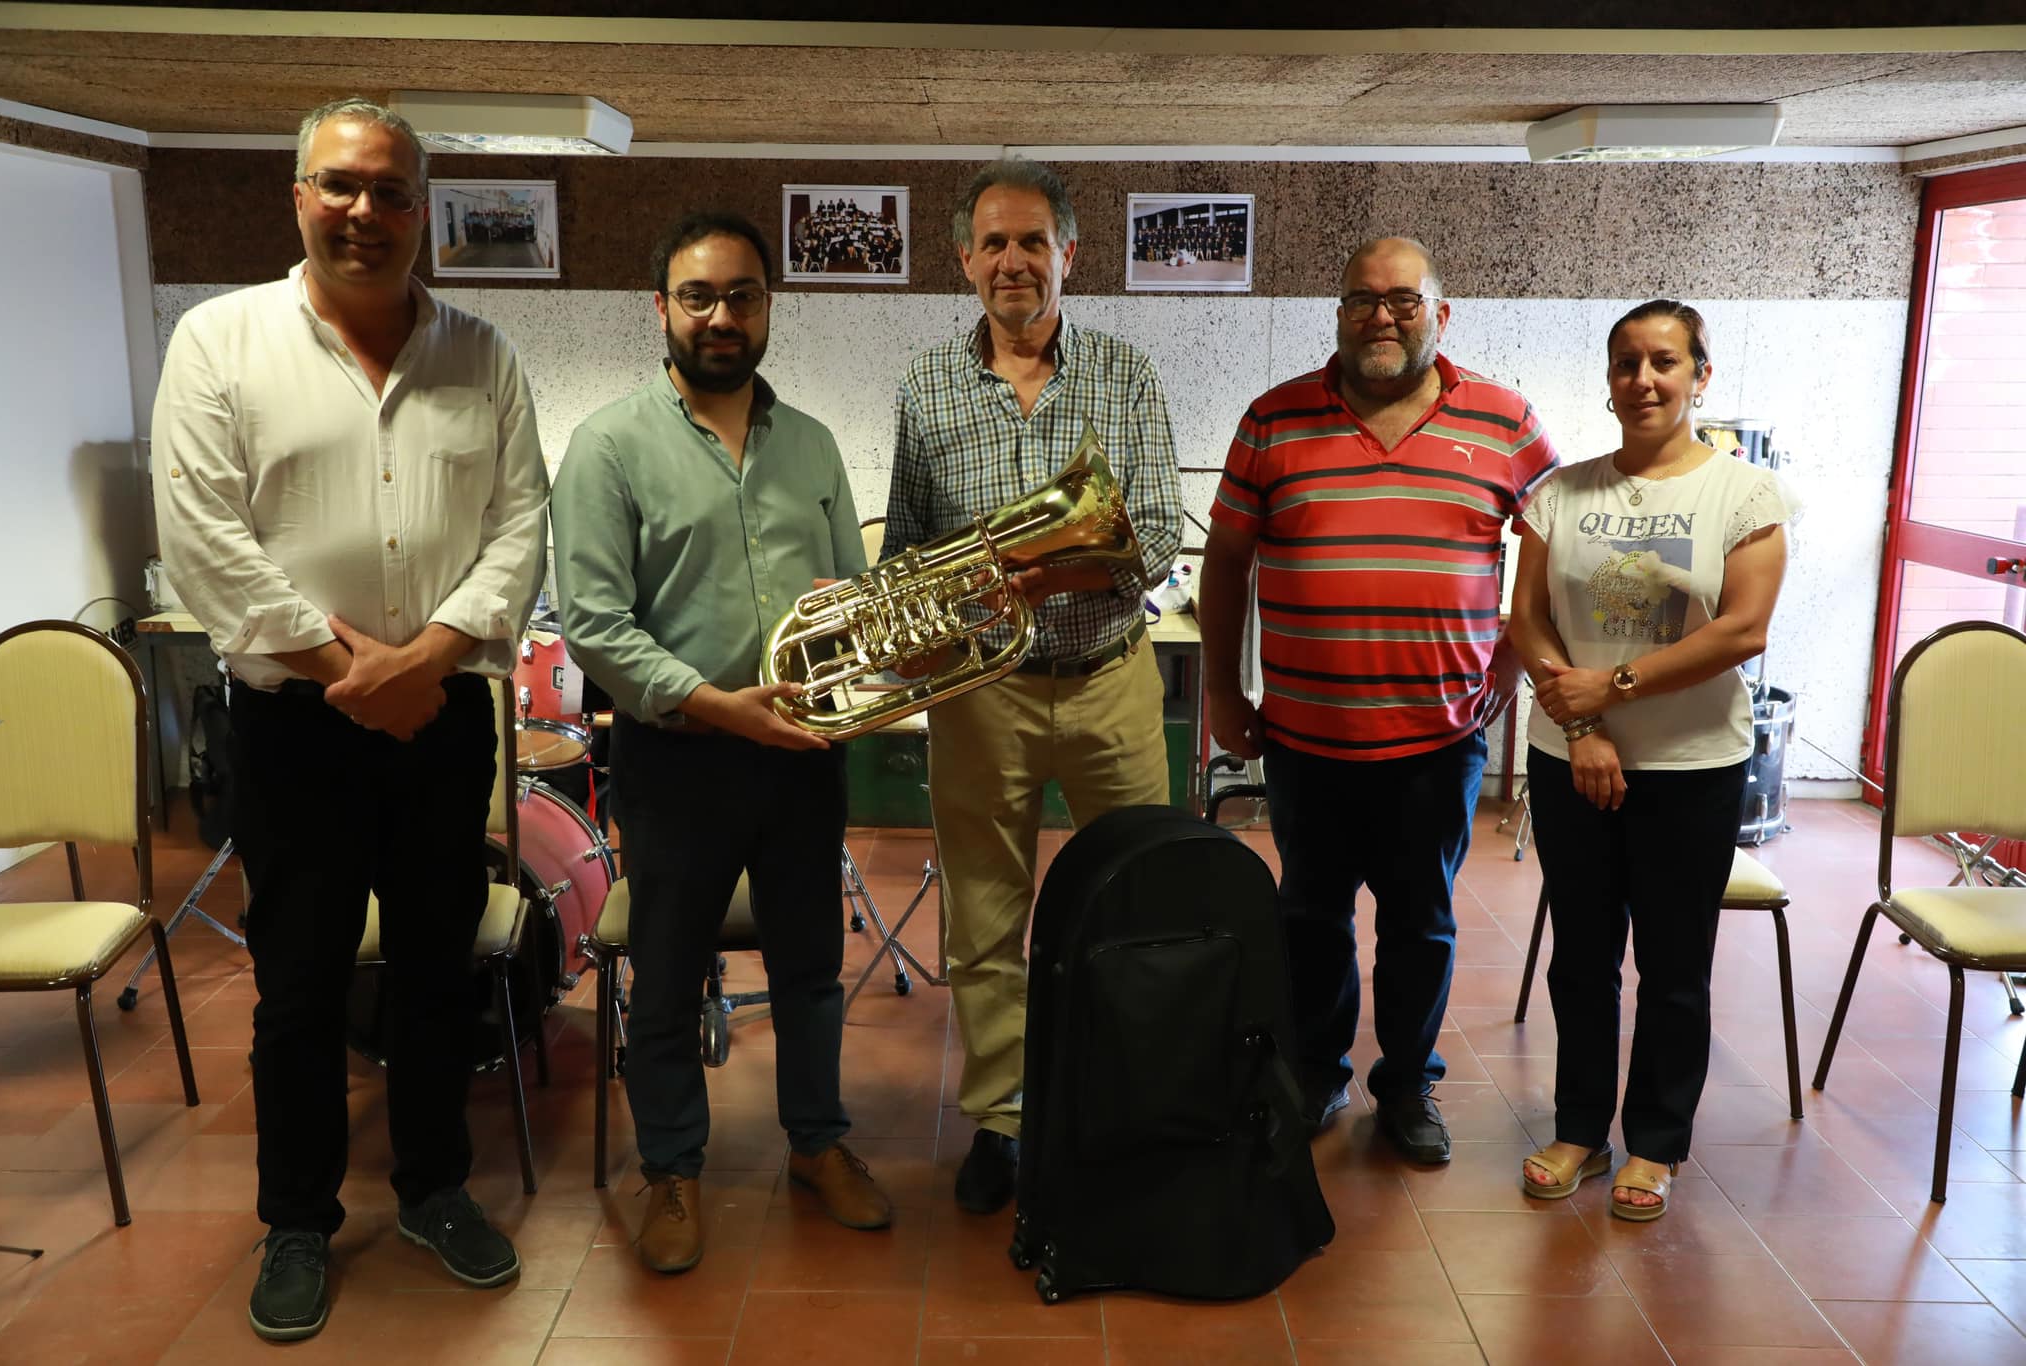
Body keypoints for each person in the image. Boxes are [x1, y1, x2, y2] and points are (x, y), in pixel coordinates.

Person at [150, 97, 548, 1342]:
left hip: (442, 718)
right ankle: (297, 1220)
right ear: (297, 196)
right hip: (294, 732)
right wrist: (351, 673)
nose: (363, 212)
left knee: (439, 967)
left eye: (388, 192)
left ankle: (433, 1190)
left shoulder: (482, 353)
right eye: (339, 186)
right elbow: (205, 545)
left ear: (421, 208)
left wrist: (422, 660)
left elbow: (521, 526)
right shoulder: (218, 343)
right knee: (301, 981)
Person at [552, 211, 891, 1275]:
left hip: (798, 753)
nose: (720, 316)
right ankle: (673, 1171)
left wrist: (854, 629)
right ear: (659, 309)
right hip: (676, 758)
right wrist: (714, 702)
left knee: (809, 969)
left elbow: (851, 593)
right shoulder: (609, 445)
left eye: (741, 295)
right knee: (663, 977)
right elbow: (597, 627)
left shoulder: (815, 444)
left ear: (767, 308)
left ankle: (817, 1145)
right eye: (697, 296)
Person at [1201, 236, 1559, 1165]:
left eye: (1403, 301)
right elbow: (1228, 564)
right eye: (1362, 300)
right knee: (1309, 918)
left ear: (1442, 314)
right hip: (1306, 737)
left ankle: (1407, 1084)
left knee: (1421, 921)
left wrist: (1511, 667)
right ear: (1339, 314)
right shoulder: (1274, 420)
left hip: (1437, 741)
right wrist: (1221, 690)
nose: (1382, 317)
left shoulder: (1506, 423)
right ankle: (1318, 1071)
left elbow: (1555, 554)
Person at [883, 158, 1182, 1214]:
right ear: (963, 259)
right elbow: (913, 548)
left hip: (1105, 672)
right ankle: (1001, 1120)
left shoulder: (1126, 373)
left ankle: (1131, 1100)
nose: (1012, 262)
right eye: (992, 243)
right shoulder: (923, 386)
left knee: (1141, 899)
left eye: (1031, 241)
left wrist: (1029, 565)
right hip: (982, 693)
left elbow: (1147, 543)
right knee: (984, 913)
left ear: (1069, 253)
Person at [1509, 300, 1795, 1220]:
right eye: (1626, 362)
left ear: (1699, 376)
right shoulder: (1561, 492)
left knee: (1675, 964)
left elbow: (1743, 630)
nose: (1644, 380)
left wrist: (1613, 689)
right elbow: (1528, 620)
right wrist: (1583, 724)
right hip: (1570, 760)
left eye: (1665, 362)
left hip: (1692, 769)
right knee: (1582, 957)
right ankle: (1581, 1129)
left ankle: (1659, 1143)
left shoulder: (1742, 495)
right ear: (1608, 377)